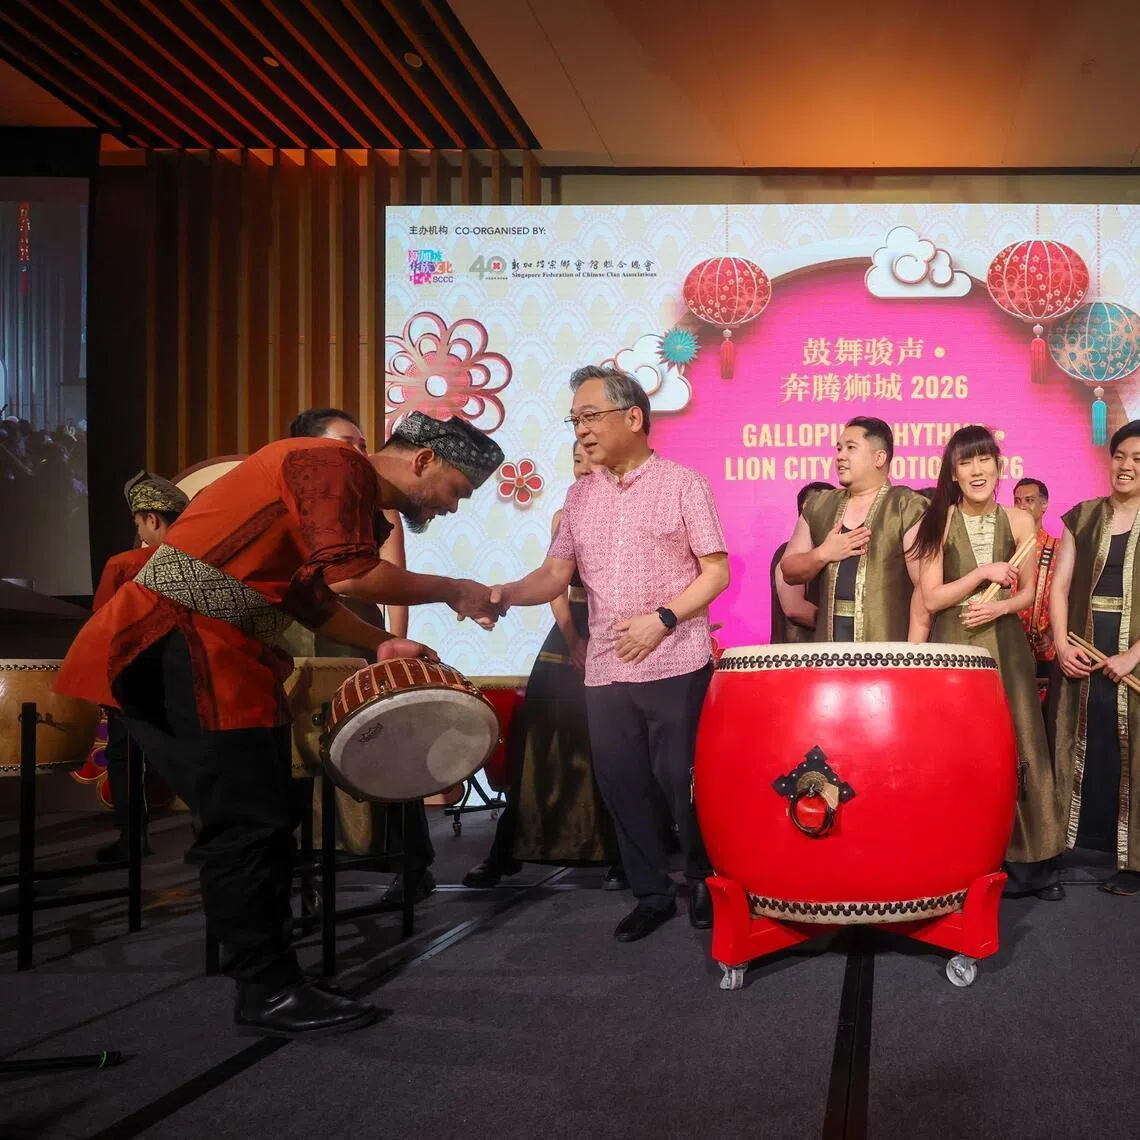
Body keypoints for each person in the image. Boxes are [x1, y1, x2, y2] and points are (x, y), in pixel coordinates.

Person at [56, 411, 504, 1038]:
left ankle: (268, 974)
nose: (453, 507)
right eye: (458, 489)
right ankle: (265, 989)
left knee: (259, 816)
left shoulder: (347, 491)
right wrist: (455, 589)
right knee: (247, 821)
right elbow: (351, 575)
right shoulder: (331, 464)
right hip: (178, 640)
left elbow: (309, 598)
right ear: (424, 460)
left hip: (222, 648)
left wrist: (379, 643)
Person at [490, 366, 730, 943]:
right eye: (574, 420)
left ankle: (705, 880)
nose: (581, 430)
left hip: (676, 660)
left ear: (634, 418)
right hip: (605, 669)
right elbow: (554, 574)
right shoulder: (579, 496)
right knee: (622, 784)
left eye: (590, 416)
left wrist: (663, 619)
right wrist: (502, 594)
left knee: (682, 781)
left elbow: (716, 571)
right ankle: (651, 894)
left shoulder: (683, 483)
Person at [283, 408, 431, 908]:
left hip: (357, 633)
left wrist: (392, 648)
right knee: (298, 747)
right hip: (297, 632)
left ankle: (409, 864)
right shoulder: (291, 499)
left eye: (365, 444)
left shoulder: (380, 506)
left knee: (378, 739)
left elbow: (395, 582)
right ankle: (304, 866)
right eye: (349, 444)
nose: (361, 454)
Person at [910, 425, 1064, 900]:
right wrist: (981, 573)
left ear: (998, 467)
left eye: (984, 460)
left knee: (1022, 742)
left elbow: (1029, 594)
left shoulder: (1020, 521)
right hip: (955, 651)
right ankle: (962, 857)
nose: (977, 470)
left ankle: (1032, 861)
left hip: (1007, 648)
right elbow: (932, 598)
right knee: (959, 749)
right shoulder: (935, 522)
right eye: (966, 462)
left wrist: (999, 607)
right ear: (953, 473)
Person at [464, 441, 622, 889]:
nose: (584, 468)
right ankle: (508, 849)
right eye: (576, 460)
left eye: (592, 459)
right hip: (571, 634)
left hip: (623, 632)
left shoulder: (635, 511)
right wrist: (573, 640)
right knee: (538, 743)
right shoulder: (564, 516)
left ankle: (621, 853)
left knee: (613, 748)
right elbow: (555, 584)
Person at [1050, 420, 1140, 896]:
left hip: (1134, 655)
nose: (1126, 466)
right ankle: (1065, 847)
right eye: (1120, 456)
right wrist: (1061, 644)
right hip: (1081, 649)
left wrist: (1133, 656)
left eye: (1138, 460)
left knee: (1132, 753)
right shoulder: (1082, 516)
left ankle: (1133, 861)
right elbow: (1059, 587)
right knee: (1078, 742)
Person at [93, 471, 189, 863]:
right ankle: (208, 836)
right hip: (192, 674)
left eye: (138, 522)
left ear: (152, 519)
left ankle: (133, 839)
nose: (138, 531)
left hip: (135, 676)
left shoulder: (124, 564)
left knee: (126, 755)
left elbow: (102, 624)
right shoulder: (202, 563)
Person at [781, 418, 927, 641]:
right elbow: (789, 570)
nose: (840, 456)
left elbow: (924, 589)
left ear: (879, 458)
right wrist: (823, 554)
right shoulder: (819, 505)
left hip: (888, 649)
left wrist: (913, 653)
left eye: (851, 448)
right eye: (839, 449)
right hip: (828, 651)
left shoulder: (907, 506)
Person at [770, 481, 832, 643]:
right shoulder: (788, 553)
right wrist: (840, 624)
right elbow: (794, 608)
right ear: (807, 507)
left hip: (827, 650)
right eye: (829, 505)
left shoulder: (831, 551)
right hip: (798, 652)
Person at [1013, 477, 1058, 696]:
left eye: (1029, 500)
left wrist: (1051, 634)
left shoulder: (1057, 549)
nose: (1022, 506)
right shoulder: (1004, 547)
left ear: (1044, 505)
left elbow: (1067, 598)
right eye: (1017, 501)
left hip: (1044, 651)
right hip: (1009, 646)